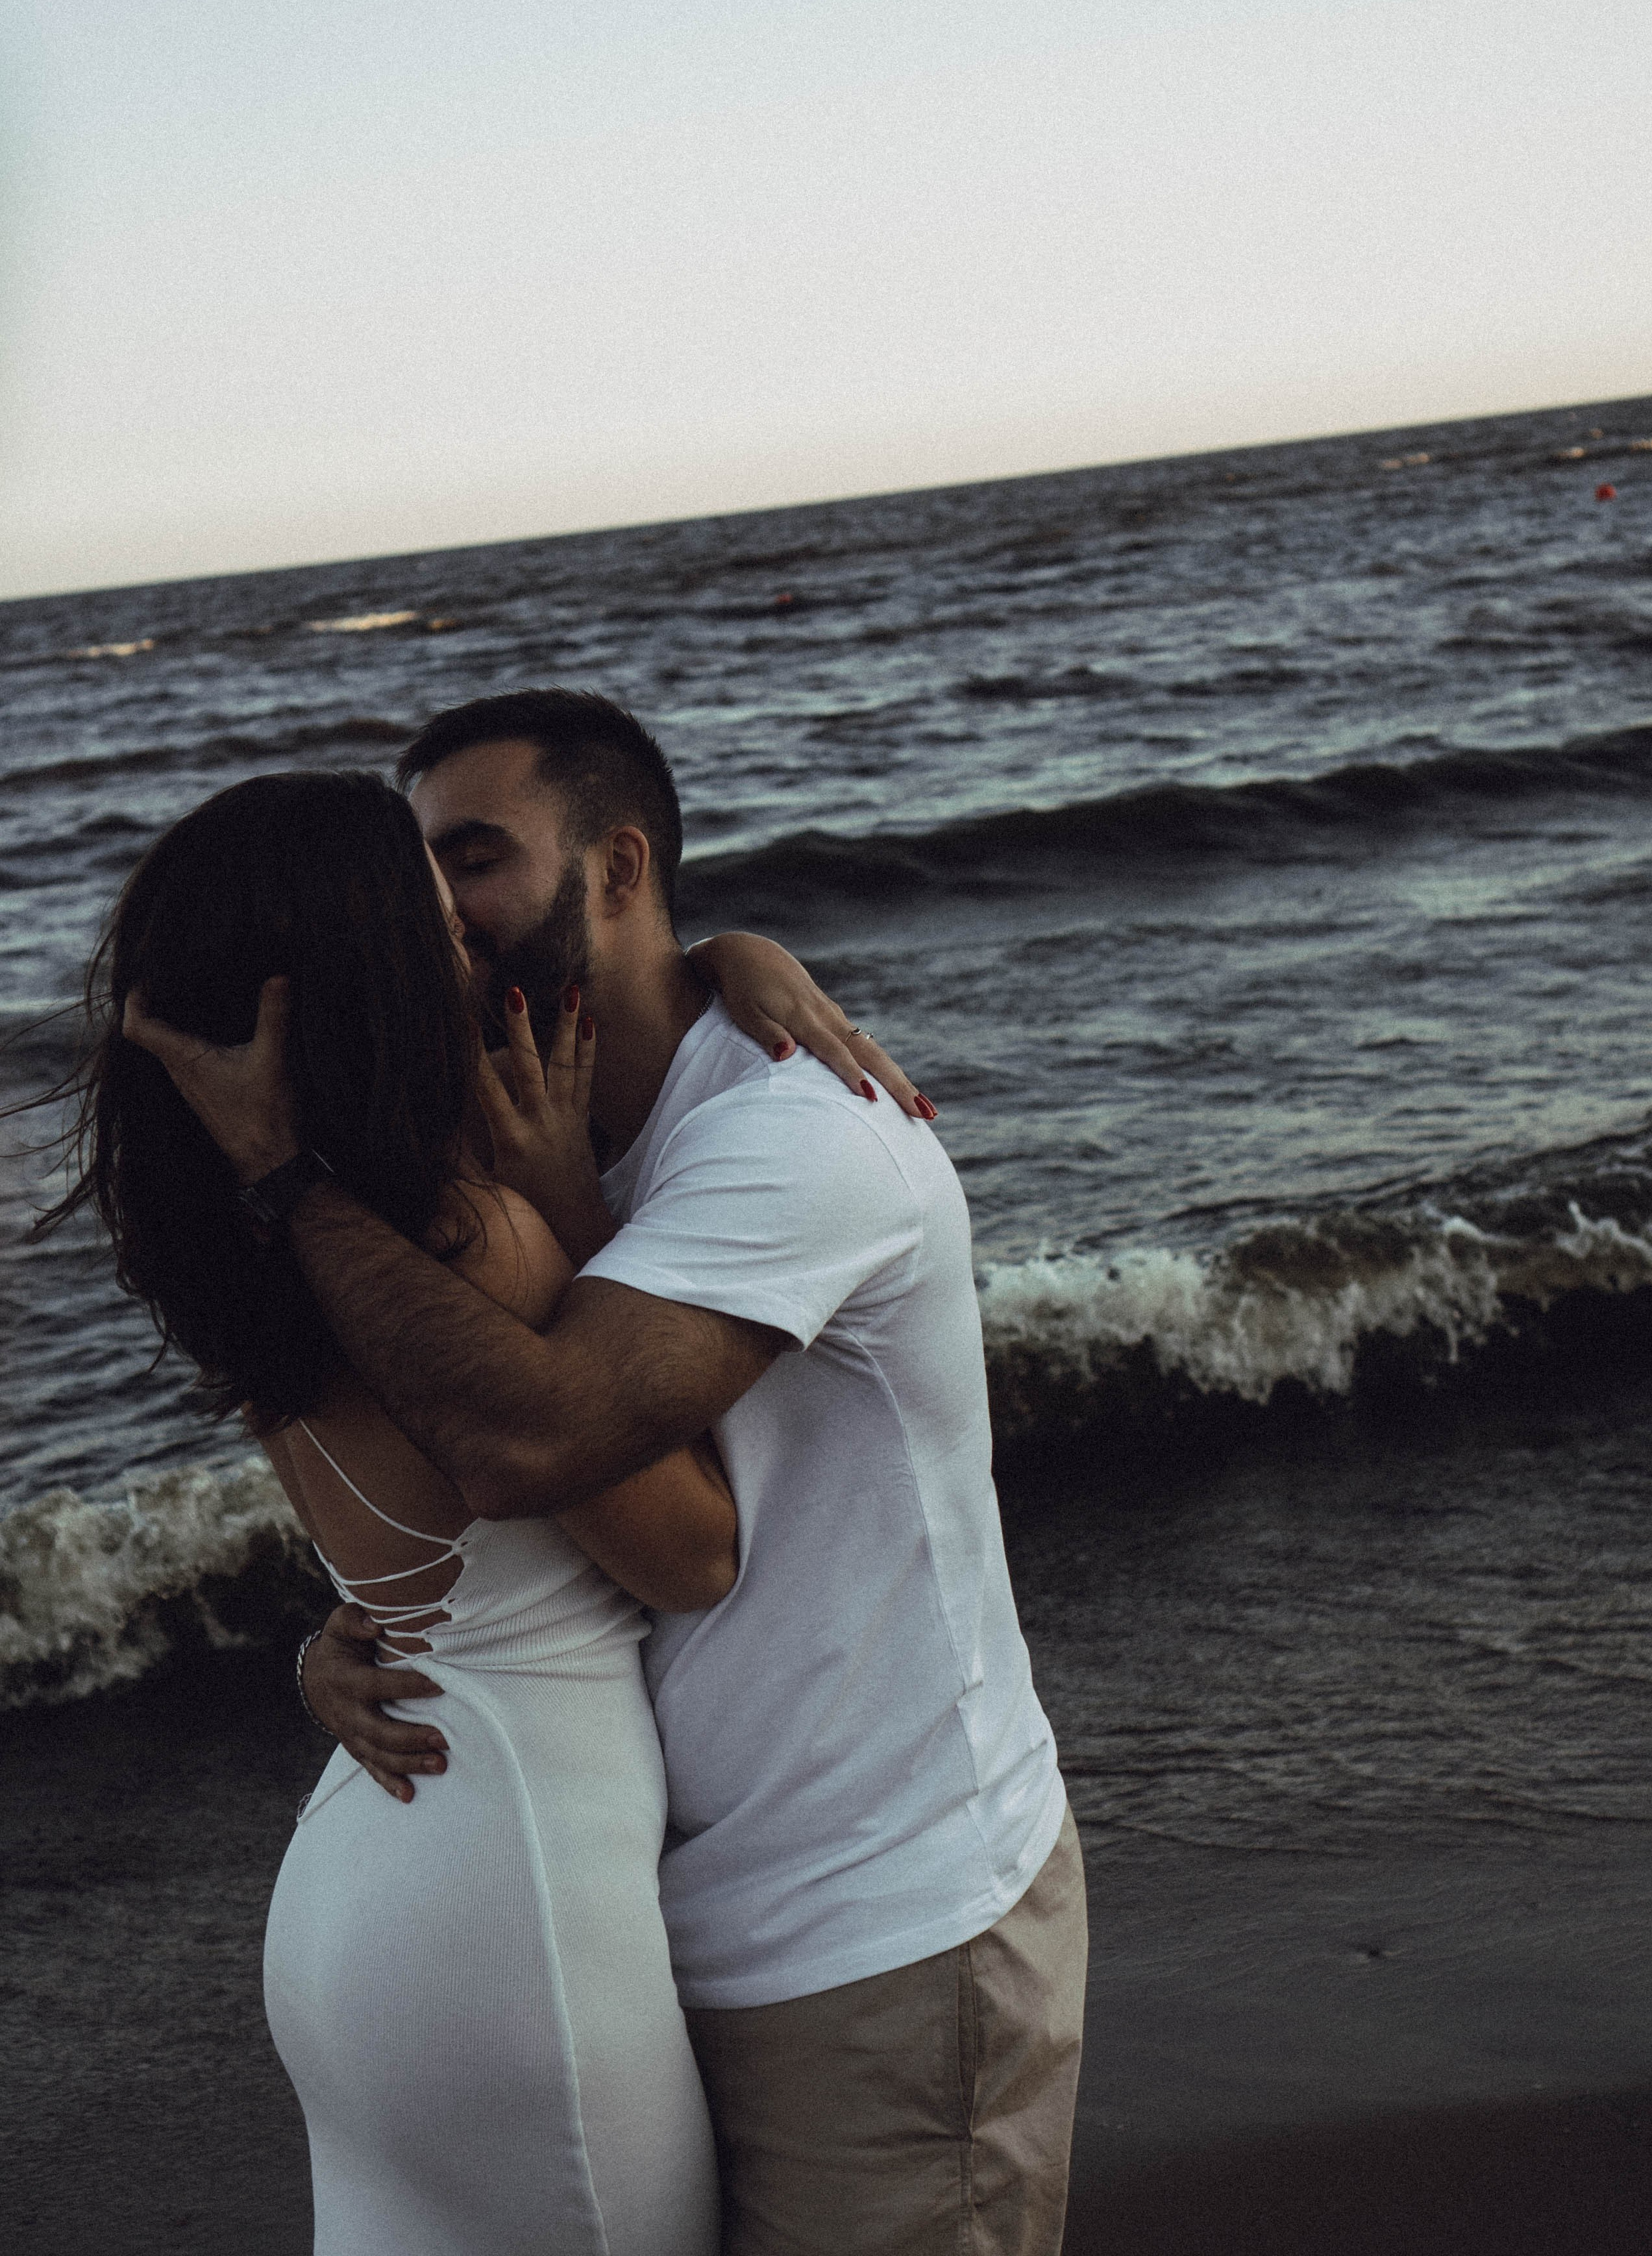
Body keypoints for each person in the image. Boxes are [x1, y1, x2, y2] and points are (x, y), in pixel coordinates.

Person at [128, 689, 1089, 2256]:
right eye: (416, 875)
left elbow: (535, 1446)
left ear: (620, 867)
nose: (440, 912)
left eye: (474, 860)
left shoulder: (789, 1136)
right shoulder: (481, 1161)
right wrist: (361, 1635)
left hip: (864, 1916)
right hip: (623, 1902)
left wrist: (725, 966)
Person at [54, 764, 883, 2255]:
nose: (473, 952)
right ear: (373, 969)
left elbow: (413, 1537)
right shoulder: (477, 1241)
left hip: (362, 1873)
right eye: (438, 929)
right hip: (516, 1900)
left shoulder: (242, 1252)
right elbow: (695, 1556)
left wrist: (724, 956)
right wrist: (572, 1216)